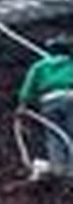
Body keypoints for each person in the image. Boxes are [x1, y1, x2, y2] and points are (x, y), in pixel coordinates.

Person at [18, 41, 73, 177]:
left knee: (55, 136)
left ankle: (59, 169)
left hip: (49, 103)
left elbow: (28, 88)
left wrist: (23, 105)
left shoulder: (39, 66)